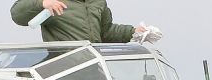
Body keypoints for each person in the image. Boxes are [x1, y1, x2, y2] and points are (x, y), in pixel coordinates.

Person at [11, 0, 156, 44]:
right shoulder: (52, 1)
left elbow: (105, 32)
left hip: (93, 66)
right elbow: (17, 14)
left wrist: (133, 32)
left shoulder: (98, 2)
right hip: (63, 68)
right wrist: (41, 3)